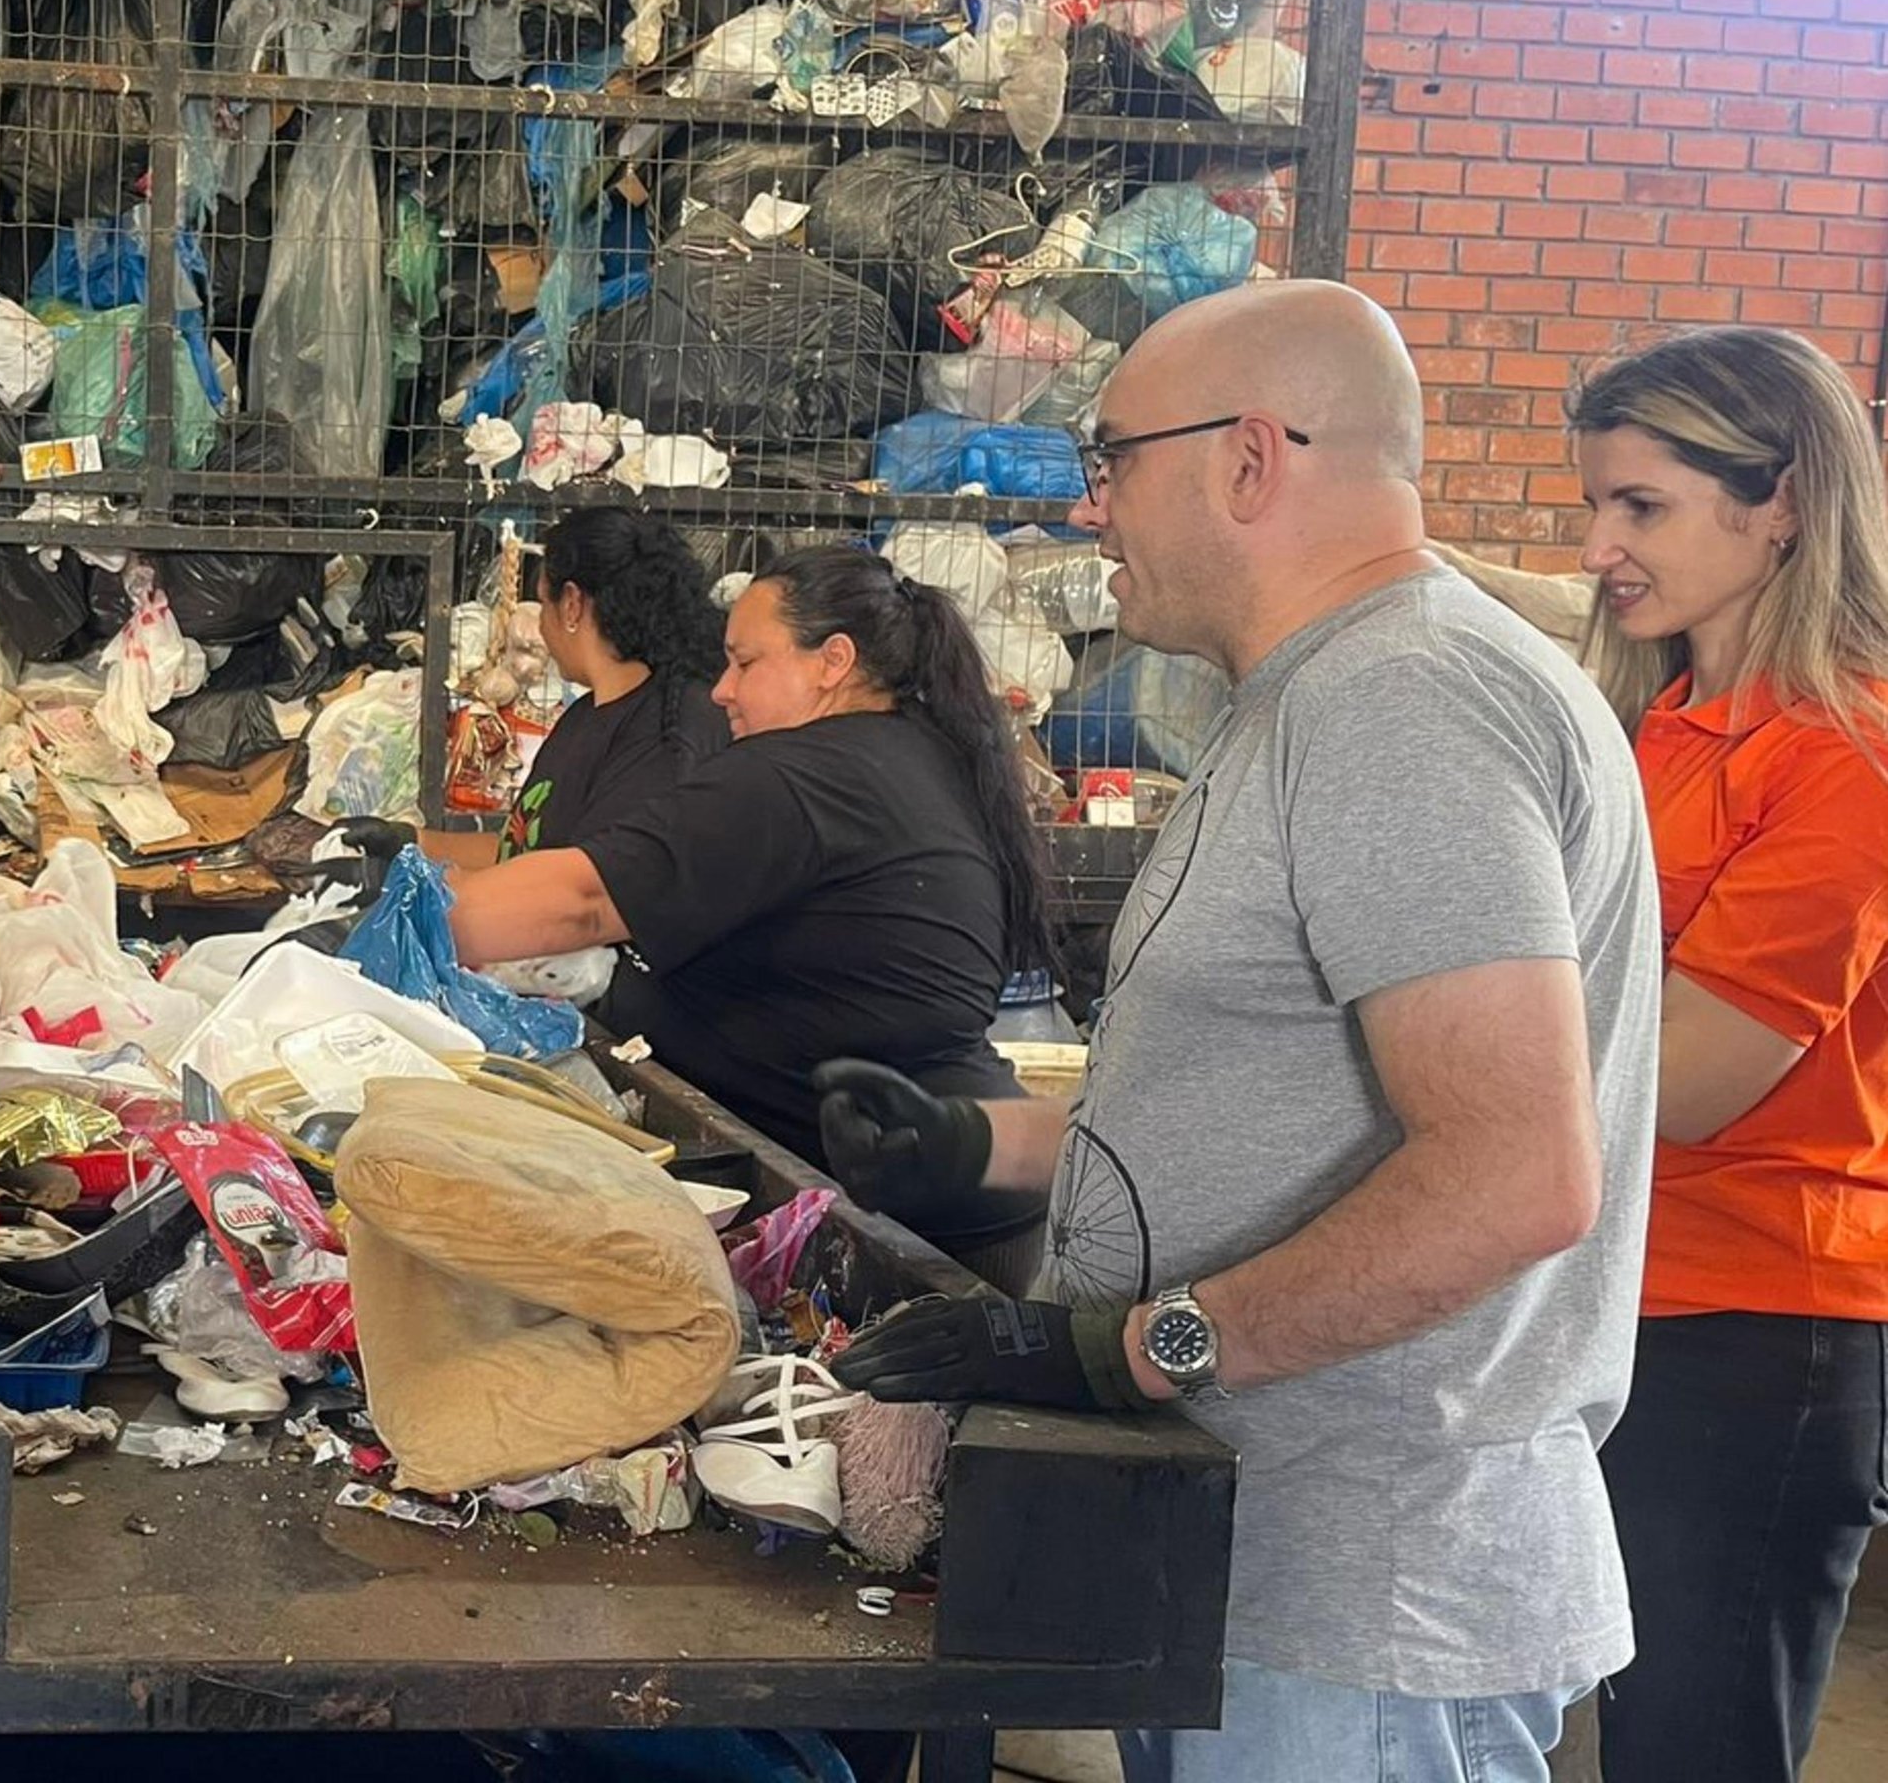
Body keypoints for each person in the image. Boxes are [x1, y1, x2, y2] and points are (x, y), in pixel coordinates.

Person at [822, 279, 1660, 1783]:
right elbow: (1269, 1107)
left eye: (1108, 459)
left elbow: (1513, 1175)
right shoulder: (1319, 695)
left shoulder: (1402, 700)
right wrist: (978, 1144)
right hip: (1265, 1571)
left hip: (1363, 1608)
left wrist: (1131, 1349)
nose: (1089, 512)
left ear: (1248, 459)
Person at [1567, 324, 1888, 1783]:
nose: (1597, 545)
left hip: (1750, 1327)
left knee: (1691, 1750)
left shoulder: (1839, 757)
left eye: (1638, 508)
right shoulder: (1664, 722)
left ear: (1780, 504)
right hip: (1614, 1290)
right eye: (1594, 505)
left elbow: (1691, 1076)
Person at [443, 540, 1052, 1277]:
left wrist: (404, 930)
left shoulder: (805, 776)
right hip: (944, 1196)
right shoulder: (901, 755)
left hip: (908, 1236)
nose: (722, 689)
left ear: (832, 661)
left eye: (745, 662)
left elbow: (585, 898)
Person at [498, 506, 731, 858]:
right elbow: (521, 846)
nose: (542, 625)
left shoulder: (667, 736)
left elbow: (586, 884)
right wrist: (410, 841)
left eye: (545, 603)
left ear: (572, 604)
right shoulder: (584, 715)